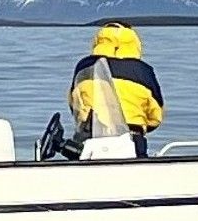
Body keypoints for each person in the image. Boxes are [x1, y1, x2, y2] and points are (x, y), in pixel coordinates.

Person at [67, 22, 163, 157]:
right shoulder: (143, 71)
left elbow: (74, 103)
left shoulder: (84, 66)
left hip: (90, 138)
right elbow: (156, 116)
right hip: (132, 141)